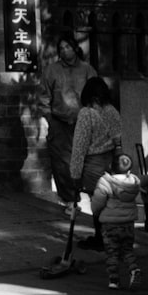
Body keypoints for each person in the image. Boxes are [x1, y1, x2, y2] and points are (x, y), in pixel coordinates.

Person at [37, 32, 97, 215]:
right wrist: (48, 119)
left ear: (75, 48)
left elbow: (96, 93)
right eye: (61, 48)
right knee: (61, 163)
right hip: (59, 121)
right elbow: (44, 96)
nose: (64, 51)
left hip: (82, 121)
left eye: (68, 47)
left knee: (84, 161)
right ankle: (70, 200)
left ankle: (85, 194)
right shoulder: (51, 70)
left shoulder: (87, 70)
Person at [69, 76, 122, 251]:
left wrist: (75, 174)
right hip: (109, 162)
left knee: (97, 203)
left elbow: (79, 147)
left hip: (93, 164)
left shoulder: (86, 113)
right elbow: (118, 139)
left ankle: (101, 239)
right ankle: (111, 238)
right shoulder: (112, 111)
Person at [89, 152, 142, 290]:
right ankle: (134, 269)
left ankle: (114, 280)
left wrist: (95, 212)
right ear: (129, 170)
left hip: (110, 224)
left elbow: (98, 202)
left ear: (110, 167)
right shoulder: (133, 183)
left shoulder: (105, 182)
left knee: (112, 252)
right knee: (127, 250)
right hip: (128, 224)